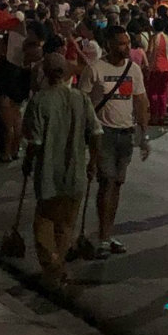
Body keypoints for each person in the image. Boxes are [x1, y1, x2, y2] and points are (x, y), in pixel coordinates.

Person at [24, 52, 102, 288]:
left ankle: (53, 266)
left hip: (49, 173)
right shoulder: (80, 99)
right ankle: (59, 268)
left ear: (45, 74)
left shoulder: (39, 101)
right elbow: (96, 132)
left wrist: (28, 163)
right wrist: (93, 161)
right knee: (66, 225)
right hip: (75, 172)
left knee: (44, 222)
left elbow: (35, 143)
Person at [78, 25, 149, 259]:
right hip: (103, 133)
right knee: (106, 181)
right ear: (109, 44)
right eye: (120, 43)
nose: (125, 47)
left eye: (127, 42)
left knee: (117, 183)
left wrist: (144, 133)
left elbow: (140, 101)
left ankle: (106, 233)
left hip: (125, 133)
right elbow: (83, 103)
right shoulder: (95, 69)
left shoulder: (134, 70)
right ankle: (103, 237)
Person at [0, 35, 27, 162]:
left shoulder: (1, 62)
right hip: (17, 95)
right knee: (16, 124)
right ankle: (14, 150)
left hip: (5, 95)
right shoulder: (18, 59)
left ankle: (7, 153)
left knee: (8, 126)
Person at [146, 17, 168, 125]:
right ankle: (162, 115)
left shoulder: (153, 38)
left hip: (155, 68)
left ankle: (154, 116)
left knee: (153, 93)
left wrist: (146, 65)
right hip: (167, 68)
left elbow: (149, 52)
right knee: (163, 93)